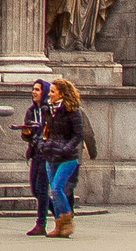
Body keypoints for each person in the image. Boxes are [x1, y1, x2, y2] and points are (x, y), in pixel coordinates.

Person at [38, 78, 86, 237]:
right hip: (51, 154)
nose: (49, 94)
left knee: (57, 188)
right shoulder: (48, 109)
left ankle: (66, 221)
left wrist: (67, 147)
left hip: (67, 157)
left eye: (52, 91)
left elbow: (78, 134)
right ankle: (59, 225)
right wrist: (42, 144)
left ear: (61, 94)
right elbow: (45, 131)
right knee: (54, 190)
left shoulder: (72, 111)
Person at [18, 79, 56, 235]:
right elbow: (28, 135)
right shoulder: (30, 111)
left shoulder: (50, 111)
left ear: (44, 92)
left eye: (37, 90)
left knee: (41, 189)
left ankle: (41, 224)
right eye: (33, 89)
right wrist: (26, 134)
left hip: (47, 154)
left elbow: (52, 132)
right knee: (35, 189)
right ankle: (61, 212)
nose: (34, 92)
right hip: (35, 153)